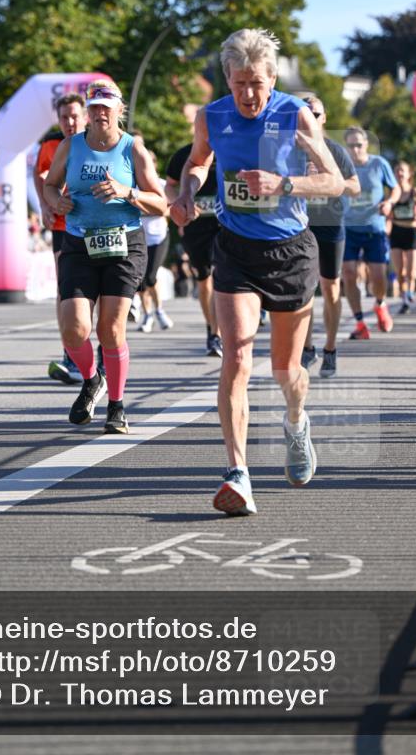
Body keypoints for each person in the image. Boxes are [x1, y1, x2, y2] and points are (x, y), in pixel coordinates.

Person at [171, 28, 343, 516]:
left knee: (287, 371)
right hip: (236, 250)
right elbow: (199, 163)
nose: (248, 95)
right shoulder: (212, 116)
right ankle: (238, 473)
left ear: (272, 79)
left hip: (290, 252)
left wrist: (283, 182)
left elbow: (332, 182)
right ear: (227, 77)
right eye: (238, 82)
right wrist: (187, 191)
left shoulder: (294, 113)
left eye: (257, 84)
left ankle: (295, 422)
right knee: (237, 358)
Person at [43, 77, 166, 435]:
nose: (100, 115)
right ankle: (91, 378)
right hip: (79, 243)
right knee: (73, 328)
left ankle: (116, 405)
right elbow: (50, 185)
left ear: (119, 111)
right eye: (94, 108)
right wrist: (56, 201)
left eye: (106, 109)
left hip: (124, 244)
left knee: (110, 329)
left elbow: (161, 205)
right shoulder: (70, 146)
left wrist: (127, 192)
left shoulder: (133, 149)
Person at [299, 95, 360, 378]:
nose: (310, 117)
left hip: (331, 225)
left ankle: (331, 349)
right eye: (305, 112)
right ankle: (307, 347)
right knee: (304, 289)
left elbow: (355, 187)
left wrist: (329, 181)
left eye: (316, 113)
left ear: (324, 118)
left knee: (331, 288)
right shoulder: (290, 149)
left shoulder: (335, 150)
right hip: (300, 226)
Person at [33, 93, 88, 384]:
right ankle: (71, 351)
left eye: (75, 116)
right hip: (63, 225)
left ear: (86, 116)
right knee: (66, 288)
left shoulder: (99, 141)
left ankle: (101, 352)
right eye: (64, 117)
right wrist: (44, 204)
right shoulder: (52, 144)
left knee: (97, 292)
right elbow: (39, 171)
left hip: (95, 225)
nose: (69, 122)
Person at [341, 127, 401, 339]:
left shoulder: (379, 164)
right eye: (351, 145)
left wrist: (390, 203)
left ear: (366, 145)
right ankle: (359, 323)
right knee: (348, 274)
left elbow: (395, 189)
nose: (355, 149)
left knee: (378, 276)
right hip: (348, 228)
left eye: (359, 145)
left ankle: (380, 303)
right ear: (346, 147)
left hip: (374, 228)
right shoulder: (341, 166)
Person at [166, 136, 222, 356]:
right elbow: (169, 186)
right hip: (195, 226)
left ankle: (218, 333)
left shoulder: (225, 150)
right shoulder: (183, 155)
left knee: (221, 276)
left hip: (223, 225)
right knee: (204, 279)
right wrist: (179, 202)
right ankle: (212, 330)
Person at [136, 152, 173, 332]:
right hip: (139, 238)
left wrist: (154, 210)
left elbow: (168, 210)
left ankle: (159, 310)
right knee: (141, 280)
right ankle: (147, 314)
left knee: (150, 275)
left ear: (154, 164)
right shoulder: (134, 186)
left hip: (158, 237)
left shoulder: (162, 185)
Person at [389, 161, 416, 314]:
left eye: (402, 171)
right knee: (400, 271)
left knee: (411, 272)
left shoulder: (415, 192)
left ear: (409, 174)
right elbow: (388, 209)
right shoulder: (393, 192)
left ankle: (410, 292)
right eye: (397, 171)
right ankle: (405, 299)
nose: (400, 173)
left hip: (411, 232)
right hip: (397, 231)